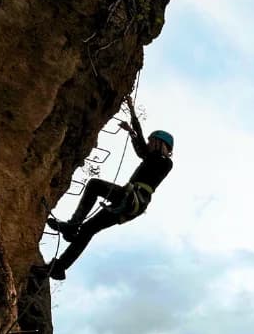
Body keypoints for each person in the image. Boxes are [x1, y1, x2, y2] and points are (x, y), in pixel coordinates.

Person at [45, 96, 173, 280]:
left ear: (161, 145)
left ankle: (72, 226)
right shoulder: (151, 156)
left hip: (133, 199)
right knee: (88, 229)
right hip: (128, 199)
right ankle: (59, 267)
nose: (150, 144)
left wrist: (135, 130)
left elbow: (146, 152)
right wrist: (131, 126)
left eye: (154, 142)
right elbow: (143, 150)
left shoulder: (165, 162)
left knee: (95, 185)